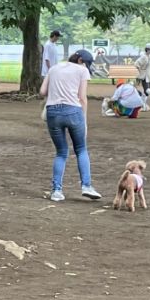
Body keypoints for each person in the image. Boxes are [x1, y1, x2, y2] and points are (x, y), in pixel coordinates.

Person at [39, 49, 102, 202]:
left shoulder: (54, 68)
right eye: (86, 64)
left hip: (53, 112)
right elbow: (82, 98)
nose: (86, 67)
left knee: (61, 152)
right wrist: (84, 121)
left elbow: (42, 91)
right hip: (73, 111)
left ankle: (57, 190)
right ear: (80, 60)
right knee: (81, 149)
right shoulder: (81, 71)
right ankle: (86, 186)